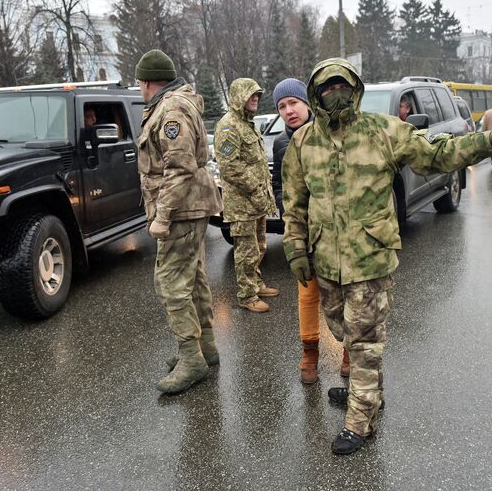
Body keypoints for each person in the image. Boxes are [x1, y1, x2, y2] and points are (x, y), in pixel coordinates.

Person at [281, 58, 492, 455]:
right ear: (316, 94)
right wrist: (296, 247)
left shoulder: (384, 131)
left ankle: (361, 420)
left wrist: (488, 142)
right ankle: (370, 394)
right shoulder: (303, 143)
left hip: (370, 257)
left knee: (365, 344)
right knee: (342, 331)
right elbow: (294, 202)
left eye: (340, 86)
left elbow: (436, 156)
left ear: (354, 89)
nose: (334, 94)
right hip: (326, 261)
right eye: (326, 89)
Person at [135, 49, 223, 395]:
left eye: (139, 82)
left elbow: (180, 165)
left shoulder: (171, 109)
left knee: (171, 285)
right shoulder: (173, 104)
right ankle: (206, 348)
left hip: (181, 211)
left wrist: (163, 215)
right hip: (189, 207)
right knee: (194, 279)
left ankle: (192, 358)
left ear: (146, 81)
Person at [271, 78, 350, 384]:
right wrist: (287, 209)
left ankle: (348, 352)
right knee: (307, 292)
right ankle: (309, 353)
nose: (288, 110)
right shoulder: (280, 143)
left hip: (333, 230)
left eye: (293, 103)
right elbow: (280, 185)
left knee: (342, 291)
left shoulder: (328, 132)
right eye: (281, 106)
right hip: (302, 228)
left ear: (307, 103)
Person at [213, 78, 279, 313]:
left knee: (259, 246)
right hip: (242, 204)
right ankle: (246, 295)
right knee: (246, 251)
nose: (255, 99)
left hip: (256, 202)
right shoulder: (229, 126)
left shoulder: (248, 124)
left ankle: (256, 284)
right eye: (251, 95)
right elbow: (229, 167)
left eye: (258, 95)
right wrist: (255, 188)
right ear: (239, 96)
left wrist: (264, 194)